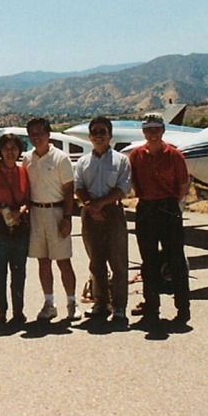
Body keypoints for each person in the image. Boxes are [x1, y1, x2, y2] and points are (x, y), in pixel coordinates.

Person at [128, 112, 191, 326]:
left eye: (156, 129)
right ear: (143, 132)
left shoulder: (174, 155)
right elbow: (135, 182)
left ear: (163, 130)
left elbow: (183, 186)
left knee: (176, 261)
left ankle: (183, 309)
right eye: (148, 130)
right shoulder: (136, 156)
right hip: (146, 208)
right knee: (149, 261)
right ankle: (151, 307)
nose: (152, 133)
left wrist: (169, 203)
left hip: (168, 208)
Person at [74, 116, 133, 329]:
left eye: (103, 132)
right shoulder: (82, 162)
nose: (99, 136)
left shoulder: (121, 160)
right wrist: (91, 206)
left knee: (118, 262)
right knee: (96, 262)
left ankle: (119, 307)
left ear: (110, 135)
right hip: (90, 214)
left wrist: (100, 204)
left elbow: (123, 188)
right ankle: (101, 303)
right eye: (95, 132)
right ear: (90, 136)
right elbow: (78, 186)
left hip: (113, 213)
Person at [22, 117, 78, 321]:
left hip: (57, 212)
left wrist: (67, 218)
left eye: (40, 132)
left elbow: (69, 190)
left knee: (63, 261)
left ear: (48, 134)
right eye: (32, 133)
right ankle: (49, 303)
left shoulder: (61, 158)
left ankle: (72, 302)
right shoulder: (27, 159)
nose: (37, 137)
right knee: (43, 262)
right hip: (36, 213)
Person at [0, 132, 30, 324]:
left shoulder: (23, 171)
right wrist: (3, 212)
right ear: (0, 150)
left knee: (19, 272)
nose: (10, 152)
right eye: (6, 148)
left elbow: (27, 199)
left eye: (14, 148)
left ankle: (18, 311)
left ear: (19, 150)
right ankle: (1, 311)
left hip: (19, 228)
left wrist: (20, 212)